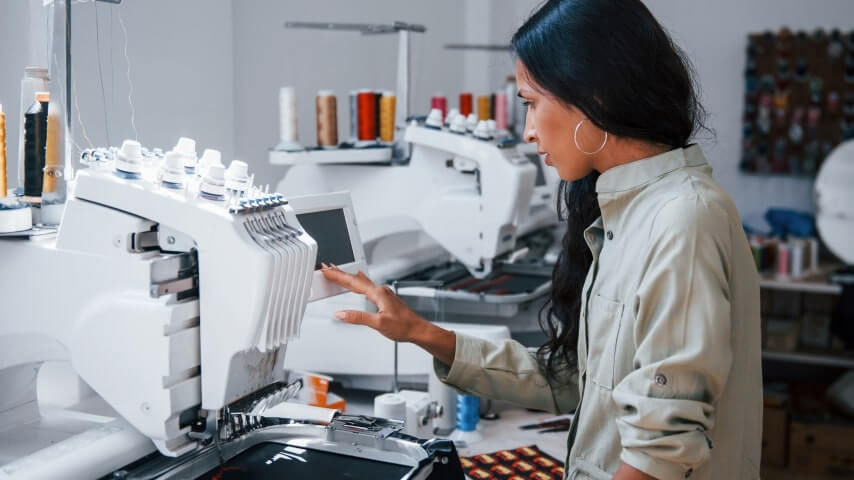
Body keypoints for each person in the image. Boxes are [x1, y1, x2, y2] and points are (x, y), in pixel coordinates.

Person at [321, 0, 762, 478]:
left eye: (530, 103)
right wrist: (419, 332)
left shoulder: (683, 219)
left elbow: (661, 450)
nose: (528, 132)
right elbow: (576, 381)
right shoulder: (630, 216)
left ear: (596, 96)